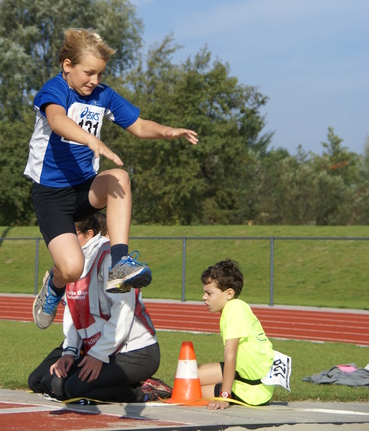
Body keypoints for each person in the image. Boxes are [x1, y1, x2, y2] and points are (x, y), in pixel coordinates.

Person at [24, 27, 198, 329]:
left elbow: (140, 125)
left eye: (100, 74)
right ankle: (53, 284)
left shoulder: (104, 96)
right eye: (89, 73)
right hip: (50, 195)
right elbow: (58, 120)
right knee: (72, 268)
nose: (95, 81)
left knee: (119, 176)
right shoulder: (54, 90)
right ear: (68, 66)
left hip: (83, 189)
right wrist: (92, 141)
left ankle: (120, 262)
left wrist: (167, 132)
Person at [28, 213, 172, 403]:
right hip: (103, 348)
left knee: (74, 388)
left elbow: (124, 312)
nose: (66, 241)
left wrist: (98, 354)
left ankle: (145, 390)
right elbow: (73, 311)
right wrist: (69, 352)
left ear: (89, 234)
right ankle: (123, 382)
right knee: (50, 383)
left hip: (137, 351)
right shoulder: (74, 263)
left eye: (72, 234)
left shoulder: (108, 257)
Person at [198, 259, 275, 409]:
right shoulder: (236, 307)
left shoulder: (234, 309)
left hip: (253, 390)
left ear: (229, 293)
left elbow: (230, 355)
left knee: (191, 391)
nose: (204, 297)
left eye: (209, 293)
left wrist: (224, 396)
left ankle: (227, 391)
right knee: (189, 375)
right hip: (251, 378)